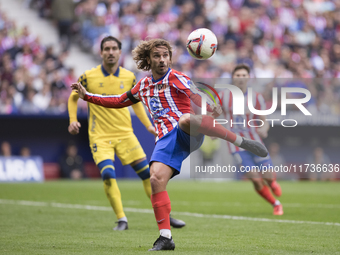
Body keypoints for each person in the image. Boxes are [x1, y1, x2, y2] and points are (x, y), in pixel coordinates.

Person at [71, 39, 268, 251]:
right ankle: (165, 237)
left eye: (165, 55)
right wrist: (87, 96)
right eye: (157, 56)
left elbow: (197, 96)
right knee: (154, 178)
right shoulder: (143, 86)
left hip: (187, 132)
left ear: (170, 58)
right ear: (149, 59)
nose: (162, 59)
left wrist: (210, 106)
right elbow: (118, 101)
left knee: (185, 119)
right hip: (165, 140)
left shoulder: (178, 78)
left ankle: (241, 141)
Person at [68, 36, 185, 231]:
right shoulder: (88, 76)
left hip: (125, 134)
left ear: (120, 52)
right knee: (108, 174)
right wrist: (73, 119)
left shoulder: (129, 77)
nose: (111, 52)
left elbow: (137, 103)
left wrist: (148, 125)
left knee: (149, 176)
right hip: (100, 136)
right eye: (107, 48)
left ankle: (166, 215)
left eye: (114, 48)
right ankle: (121, 218)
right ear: (101, 52)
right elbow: (73, 97)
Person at [219, 64, 283, 216]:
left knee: (267, 176)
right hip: (236, 145)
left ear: (248, 78)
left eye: (243, 75)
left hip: (255, 142)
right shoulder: (223, 96)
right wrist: (212, 130)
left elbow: (264, 120)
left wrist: (264, 129)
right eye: (238, 75)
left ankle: (272, 183)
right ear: (233, 78)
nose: (241, 78)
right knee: (255, 179)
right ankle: (276, 204)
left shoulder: (256, 97)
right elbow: (213, 116)